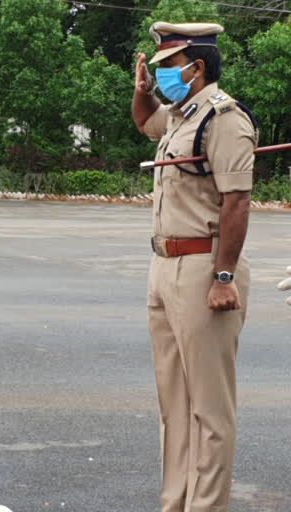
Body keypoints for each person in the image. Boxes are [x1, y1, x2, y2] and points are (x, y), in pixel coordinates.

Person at [132, 22, 257, 512]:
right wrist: (142, 92)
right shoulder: (182, 116)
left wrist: (224, 276)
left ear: (195, 66)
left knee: (209, 409)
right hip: (164, 265)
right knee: (175, 407)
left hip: (205, 267)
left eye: (167, 67)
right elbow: (146, 123)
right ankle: (177, 503)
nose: (162, 74)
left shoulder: (224, 119)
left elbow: (237, 201)